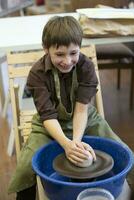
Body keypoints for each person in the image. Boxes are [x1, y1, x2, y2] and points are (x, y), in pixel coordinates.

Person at [8, 16, 133, 200]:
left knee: (124, 152)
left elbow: (82, 109)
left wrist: (75, 142)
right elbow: (48, 116)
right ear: (46, 48)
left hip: (85, 117)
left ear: (80, 48)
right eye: (59, 54)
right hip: (48, 123)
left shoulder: (86, 67)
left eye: (73, 53)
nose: (67, 61)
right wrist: (67, 145)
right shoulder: (37, 73)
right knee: (28, 164)